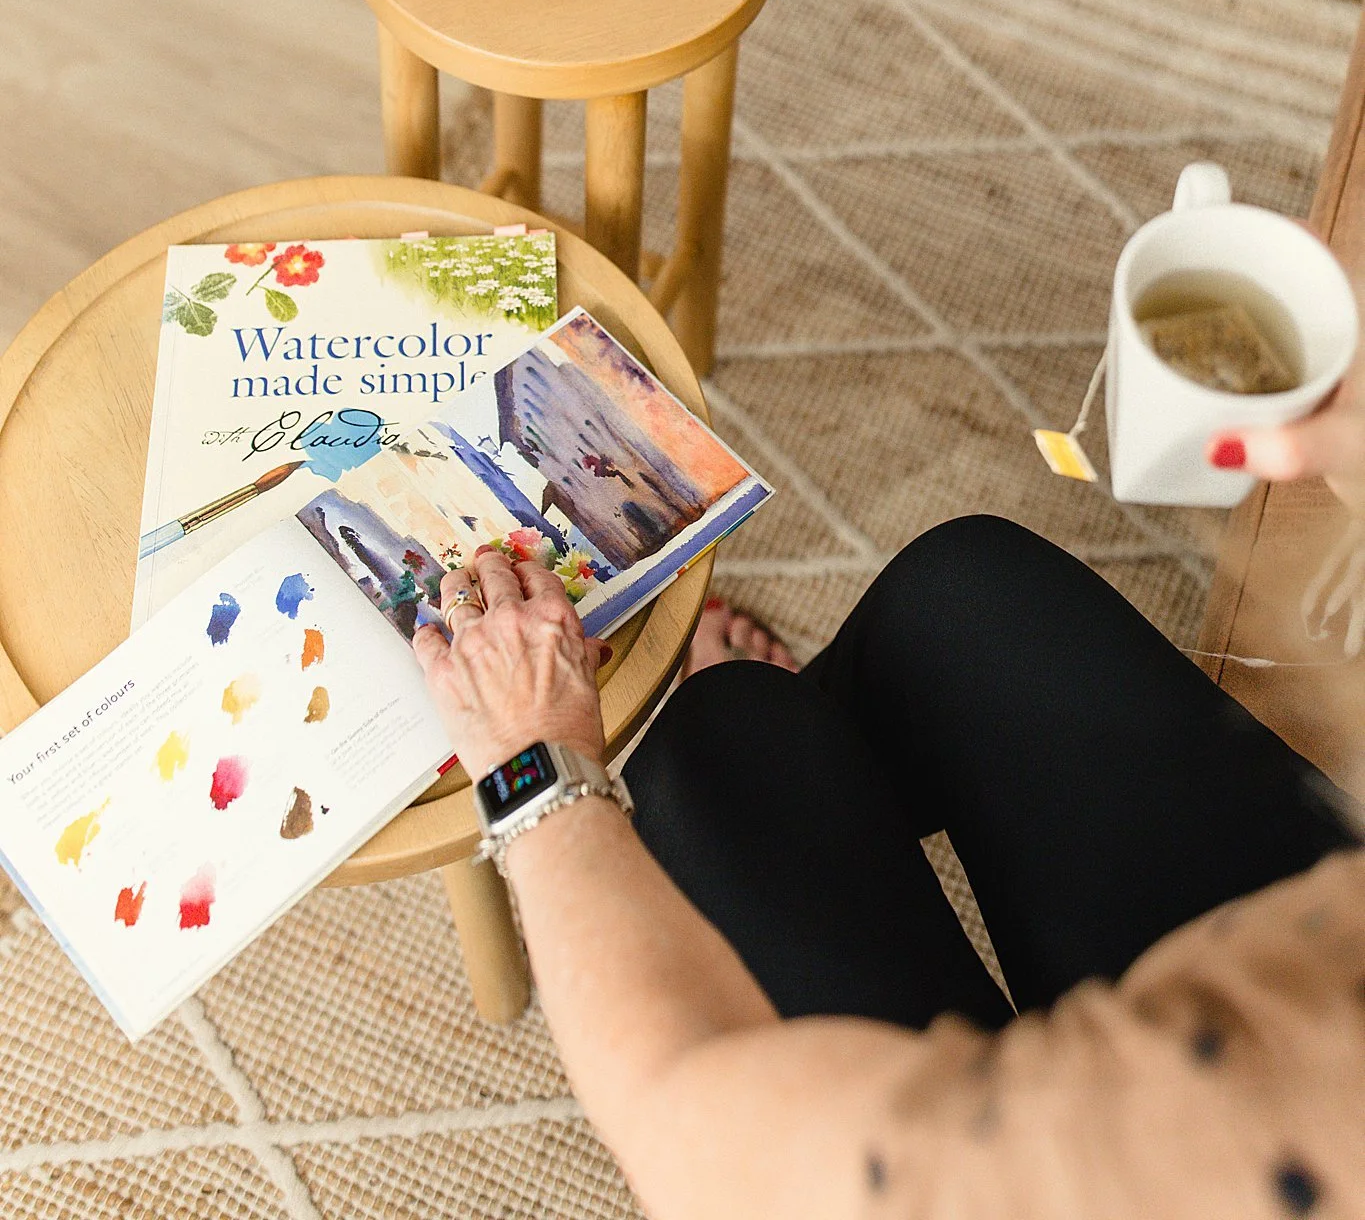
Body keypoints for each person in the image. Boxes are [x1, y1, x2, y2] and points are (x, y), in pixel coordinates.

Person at [412, 365, 1365, 1219]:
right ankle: (807, 769)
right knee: (965, 599)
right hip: (1317, 944)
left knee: (711, 755)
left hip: (1204, 1139)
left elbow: (696, 1141)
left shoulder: (1217, 1140)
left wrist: (531, 759)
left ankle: (765, 762)